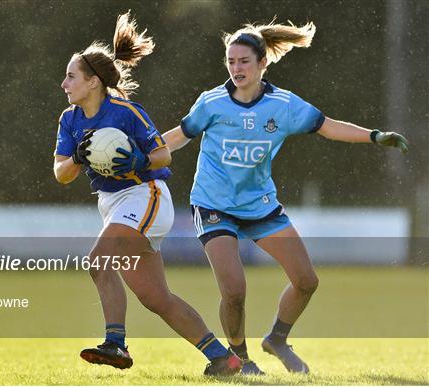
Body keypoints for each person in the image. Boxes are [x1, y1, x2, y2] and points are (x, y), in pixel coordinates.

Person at [163, 20, 408, 374]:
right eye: (231, 61)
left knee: (306, 281)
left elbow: (328, 126)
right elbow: (179, 136)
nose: (236, 68)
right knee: (234, 290)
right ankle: (240, 359)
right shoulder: (212, 102)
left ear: (263, 63)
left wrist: (374, 136)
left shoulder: (283, 105)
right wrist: (144, 151)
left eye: (244, 61)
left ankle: (276, 339)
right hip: (213, 204)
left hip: (259, 205)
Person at [53, 12, 243, 376]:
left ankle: (116, 344)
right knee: (156, 298)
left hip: (145, 195)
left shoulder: (125, 112)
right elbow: (62, 174)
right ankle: (223, 358)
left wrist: (141, 158)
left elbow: (163, 154)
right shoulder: (70, 120)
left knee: (98, 262)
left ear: (93, 82)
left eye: (71, 76)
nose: (64, 83)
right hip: (112, 204)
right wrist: (76, 157)